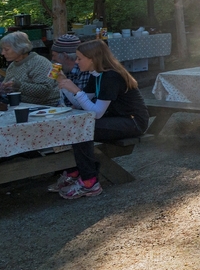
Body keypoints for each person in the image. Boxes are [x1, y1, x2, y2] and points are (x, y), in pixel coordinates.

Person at [52, 39, 148, 200]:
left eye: (80, 58)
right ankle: (76, 171)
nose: (76, 61)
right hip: (116, 118)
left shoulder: (111, 76)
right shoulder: (96, 75)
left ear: (93, 59)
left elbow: (96, 113)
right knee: (76, 125)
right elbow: (81, 103)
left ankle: (89, 182)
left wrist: (75, 90)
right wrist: (64, 84)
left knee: (82, 128)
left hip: (133, 122)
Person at [0, 31, 59, 105]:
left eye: (6, 49)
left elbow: (45, 90)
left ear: (19, 48)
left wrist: (18, 85)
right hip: (23, 105)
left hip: (48, 106)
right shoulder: (12, 66)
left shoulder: (40, 63)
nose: (2, 53)